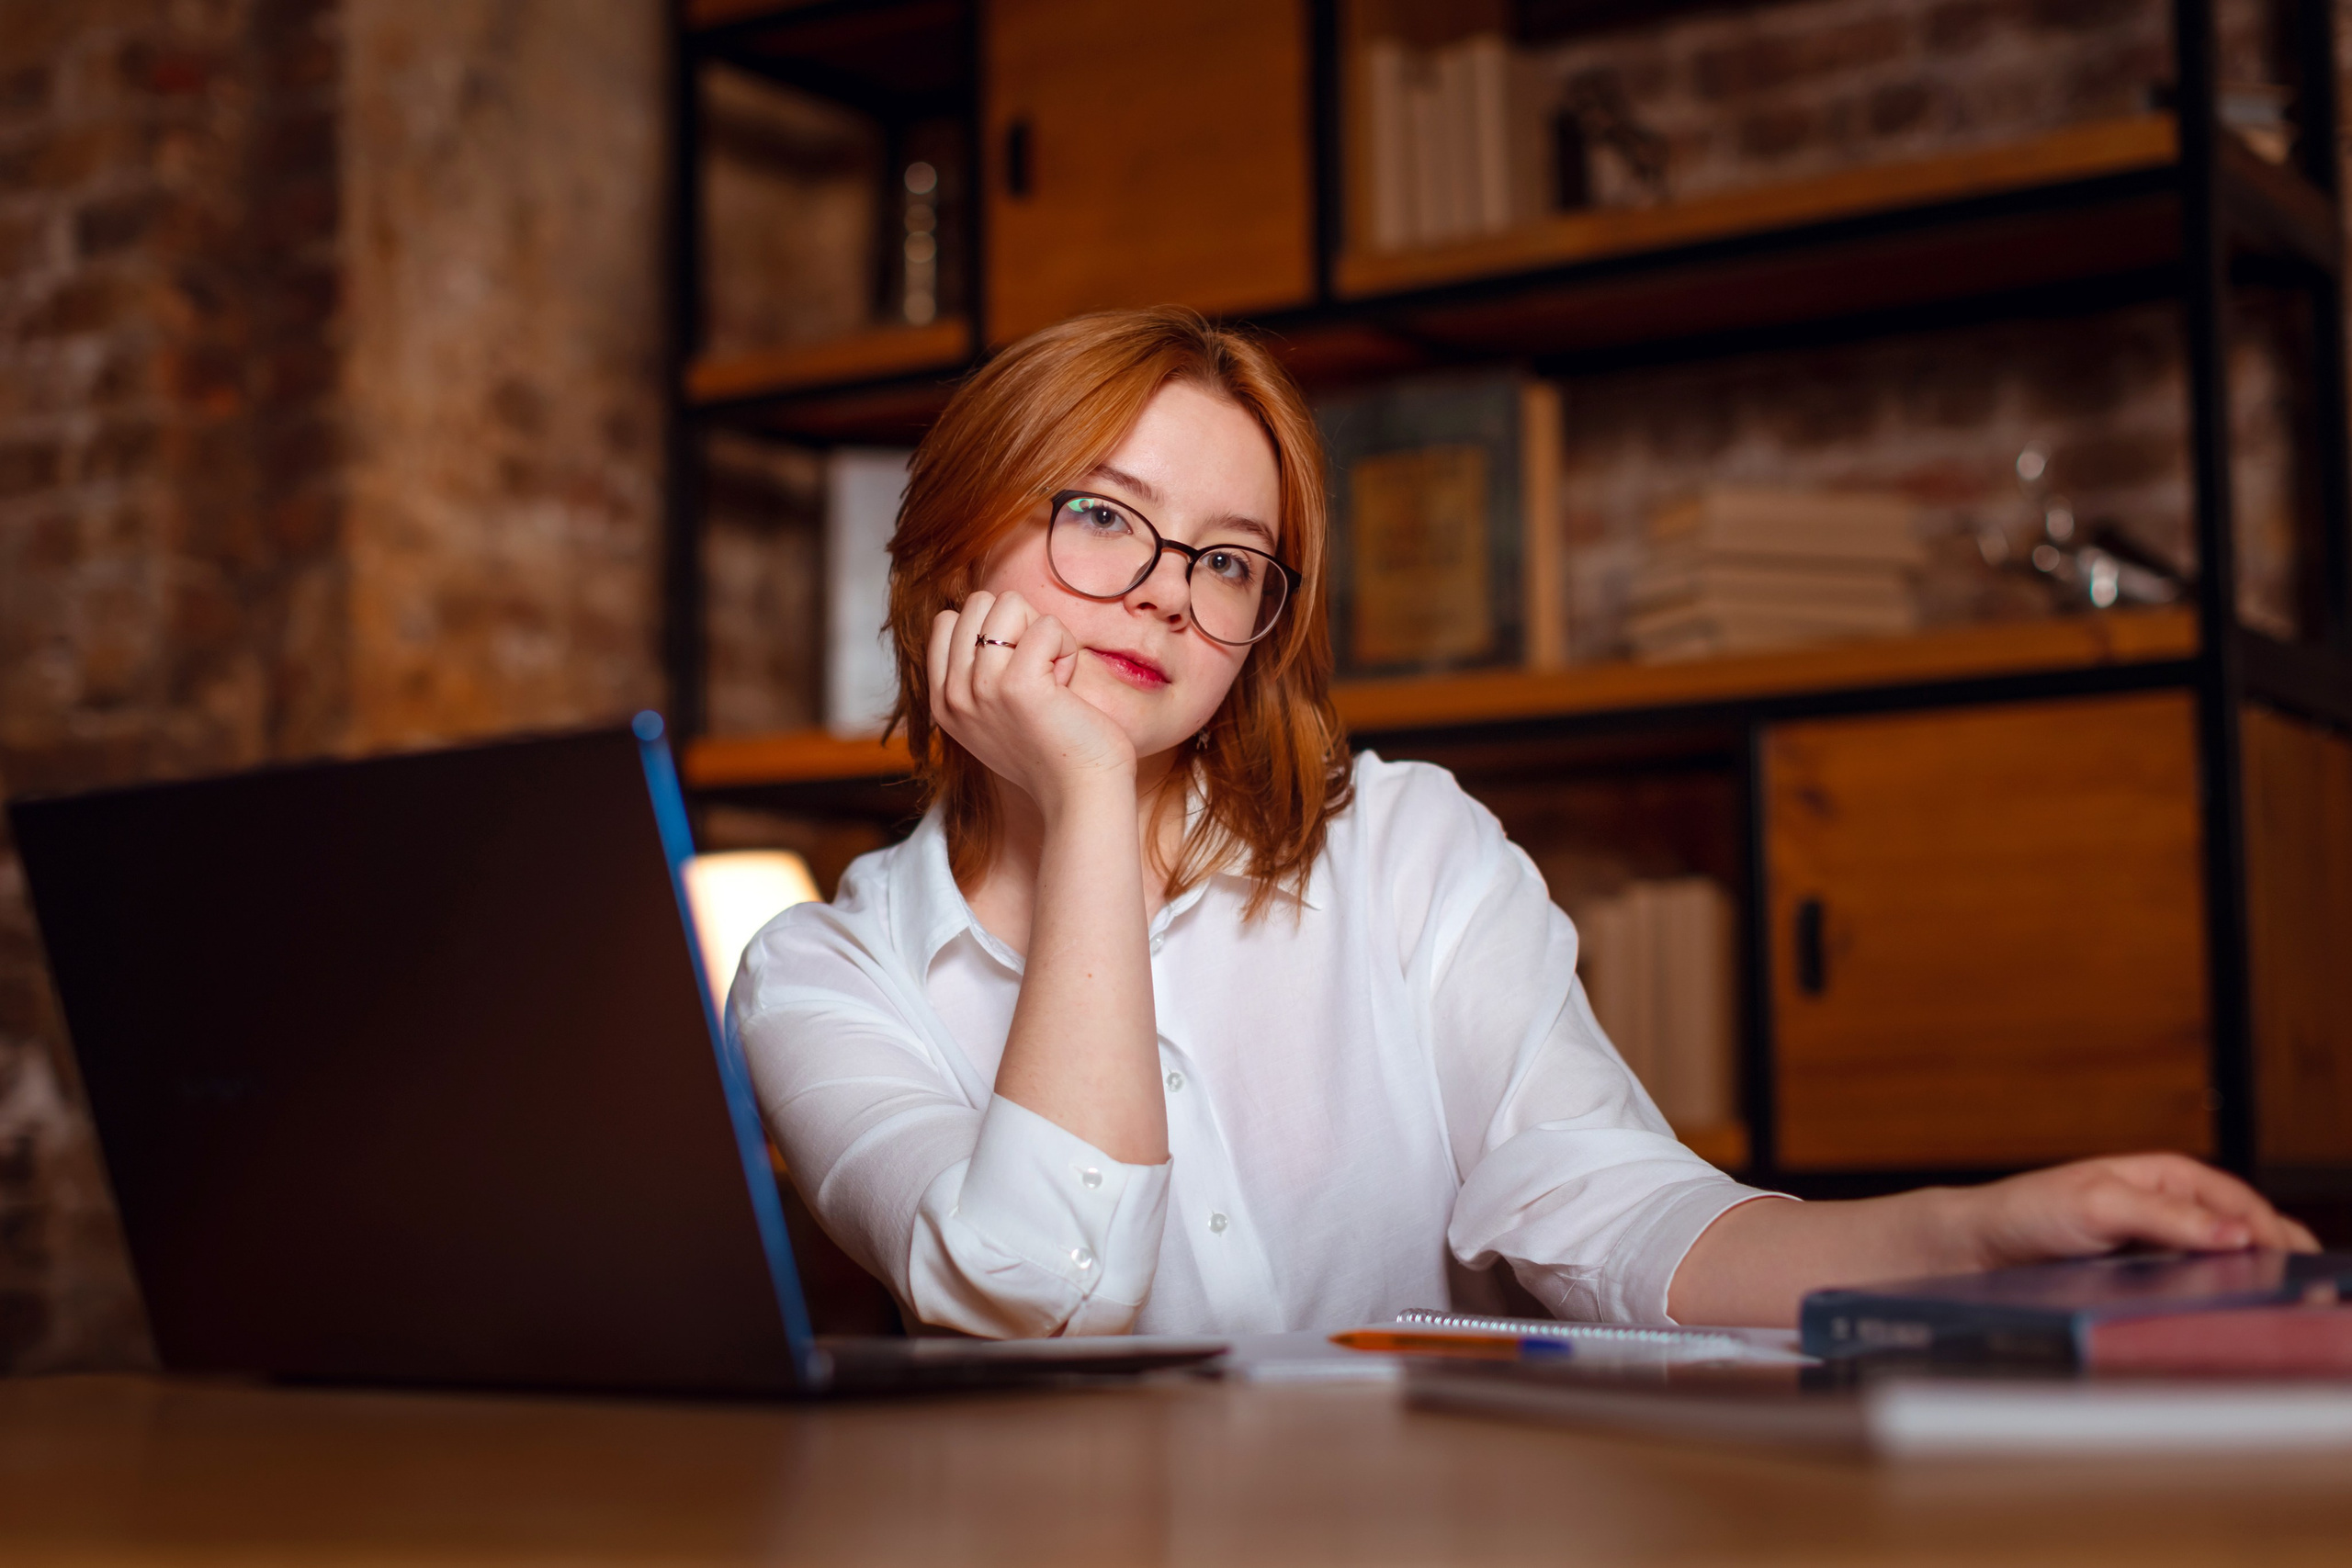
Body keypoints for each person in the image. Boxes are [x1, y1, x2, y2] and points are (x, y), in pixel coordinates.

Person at [732, 308, 2315, 1339]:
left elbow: (1607, 1208)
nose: (1166, 585)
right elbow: (1040, 1296)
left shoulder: (1409, 848)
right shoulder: (820, 977)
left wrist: (1970, 1240)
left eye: (1228, 560)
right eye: (1100, 515)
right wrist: (1084, 801)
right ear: (950, 549)